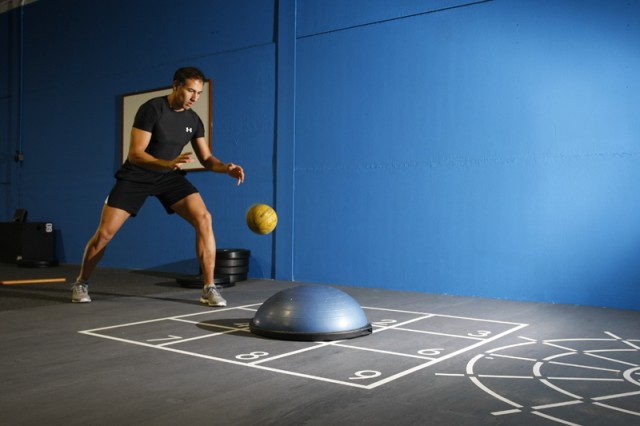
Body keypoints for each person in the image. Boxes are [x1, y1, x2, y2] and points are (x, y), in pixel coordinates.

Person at [71, 66, 244, 307]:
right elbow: (135, 154)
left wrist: (226, 168)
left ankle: (209, 287)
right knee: (105, 234)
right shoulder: (152, 109)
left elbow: (206, 158)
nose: (195, 97)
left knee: (204, 218)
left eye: (199, 93)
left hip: (168, 176)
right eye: (190, 91)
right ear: (175, 86)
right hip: (137, 175)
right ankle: (81, 282)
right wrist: (167, 162)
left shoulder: (194, 120)